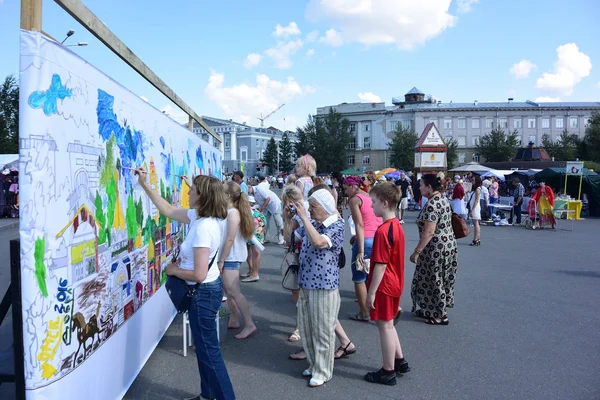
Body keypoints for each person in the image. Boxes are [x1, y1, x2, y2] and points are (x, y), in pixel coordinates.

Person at [134, 169, 235, 400]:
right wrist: (145, 184)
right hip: (206, 291)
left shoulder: (202, 227)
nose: (188, 191)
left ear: (203, 196)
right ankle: (208, 396)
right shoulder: (202, 217)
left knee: (209, 353)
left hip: (202, 293)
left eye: (193, 190)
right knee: (204, 350)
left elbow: (198, 275)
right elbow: (168, 210)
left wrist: (173, 270)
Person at [291, 188, 345, 388]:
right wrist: (293, 216)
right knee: (307, 328)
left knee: (323, 330)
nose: (310, 210)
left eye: (314, 207)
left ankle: (323, 371)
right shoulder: (314, 223)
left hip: (324, 285)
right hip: (306, 282)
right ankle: (314, 364)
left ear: (327, 208)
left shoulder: (336, 225)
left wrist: (304, 218)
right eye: (310, 206)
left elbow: (319, 242)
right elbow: (292, 235)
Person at [364, 183, 410, 386]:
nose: (371, 206)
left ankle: (388, 370)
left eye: (373, 202)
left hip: (384, 285)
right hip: (395, 282)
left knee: (384, 326)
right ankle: (399, 361)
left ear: (384, 202)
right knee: (389, 325)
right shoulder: (397, 226)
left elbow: (381, 265)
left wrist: (371, 293)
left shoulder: (383, 231)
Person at [409, 173, 458, 325]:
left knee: (434, 279)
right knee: (439, 278)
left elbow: (429, 231)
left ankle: (440, 314)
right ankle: (429, 309)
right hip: (448, 245)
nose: (419, 187)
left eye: (422, 185)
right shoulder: (443, 199)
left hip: (435, 248)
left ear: (429, 187)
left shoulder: (432, 204)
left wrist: (417, 251)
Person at [218, 182, 257, 339]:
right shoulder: (231, 211)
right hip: (229, 257)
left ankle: (249, 324)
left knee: (234, 292)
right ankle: (234, 319)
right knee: (230, 292)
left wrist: (221, 260)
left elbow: (229, 239)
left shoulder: (233, 213)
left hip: (230, 257)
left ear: (227, 195)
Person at [343, 175, 382, 322]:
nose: (345, 191)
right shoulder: (371, 196)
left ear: (353, 186)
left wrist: (359, 249)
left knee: (359, 278)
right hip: (377, 239)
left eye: (346, 188)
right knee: (373, 275)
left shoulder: (355, 200)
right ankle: (379, 307)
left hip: (365, 240)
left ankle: (364, 313)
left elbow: (359, 225)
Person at [253, 174, 284, 244]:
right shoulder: (255, 191)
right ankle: (266, 238)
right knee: (265, 221)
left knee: (278, 222)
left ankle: (281, 238)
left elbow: (268, 198)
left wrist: (262, 208)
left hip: (274, 203)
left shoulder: (259, 188)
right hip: (267, 206)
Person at [242, 195, 265, 282]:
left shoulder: (250, 210)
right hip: (255, 221)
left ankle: (255, 273)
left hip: (254, 222)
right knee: (250, 247)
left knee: (255, 247)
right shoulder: (255, 210)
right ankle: (252, 271)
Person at [467, 176, 482, 246]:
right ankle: (477, 238)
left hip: (475, 207)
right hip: (475, 207)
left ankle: (475, 239)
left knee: (476, 224)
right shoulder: (476, 189)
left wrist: (472, 210)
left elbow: (476, 201)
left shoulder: (477, 189)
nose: (472, 181)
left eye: (473, 180)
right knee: (476, 224)